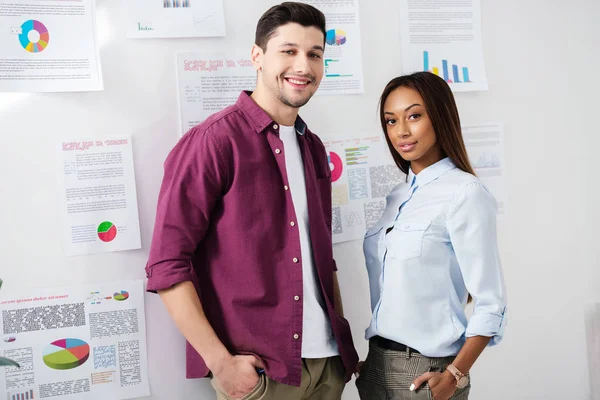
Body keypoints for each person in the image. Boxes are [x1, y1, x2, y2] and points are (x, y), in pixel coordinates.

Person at [144, 2, 358, 400]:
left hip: (327, 366)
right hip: (262, 372)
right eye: (289, 51)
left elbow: (323, 259)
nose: (303, 66)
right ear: (257, 56)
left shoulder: (313, 148)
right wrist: (220, 363)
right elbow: (167, 264)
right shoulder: (214, 141)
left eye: (315, 54)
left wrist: (339, 344)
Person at [356, 72, 507, 400]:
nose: (402, 131)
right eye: (391, 121)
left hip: (426, 370)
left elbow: (491, 302)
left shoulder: (464, 193)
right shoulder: (396, 197)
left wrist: (454, 374)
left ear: (439, 116)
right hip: (377, 365)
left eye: (414, 116)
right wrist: (372, 364)